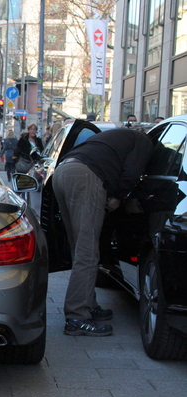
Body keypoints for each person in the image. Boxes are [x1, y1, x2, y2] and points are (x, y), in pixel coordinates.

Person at [52, 128, 154, 337]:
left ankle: (88, 304)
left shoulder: (116, 137)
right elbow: (132, 173)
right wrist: (118, 196)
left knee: (79, 248)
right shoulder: (144, 141)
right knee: (87, 252)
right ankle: (77, 318)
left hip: (62, 172)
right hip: (86, 178)